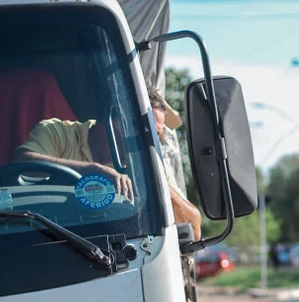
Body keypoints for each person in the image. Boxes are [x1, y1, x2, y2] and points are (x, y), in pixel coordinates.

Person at [11, 84, 202, 241]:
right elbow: (20, 164)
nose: (147, 141)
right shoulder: (59, 133)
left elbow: (193, 228)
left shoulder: (149, 165)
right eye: (138, 128)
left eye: (155, 134)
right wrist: (93, 171)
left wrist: (154, 183)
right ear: (111, 119)